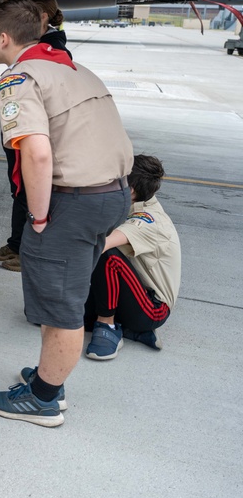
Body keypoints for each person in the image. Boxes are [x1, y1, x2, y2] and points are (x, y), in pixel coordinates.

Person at [0, 0, 133, 428]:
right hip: (111, 193)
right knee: (61, 292)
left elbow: (38, 154)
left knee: (61, 304)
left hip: (74, 200)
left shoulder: (19, 77)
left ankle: (45, 399)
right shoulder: (72, 68)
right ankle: (49, 377)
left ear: (4, 37)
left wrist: (40, 217)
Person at [0, 0, 72, 272]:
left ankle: (29, 251)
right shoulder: (45, 51)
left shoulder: (49, 52)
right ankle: (17, 243)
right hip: (24, 140)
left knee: (31, 193)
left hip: (33, 142)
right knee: (19, 191)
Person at [84, 154, 180, 359]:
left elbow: (101, 246)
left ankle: (107, 326)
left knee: (107, 255)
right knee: (55, 315)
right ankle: (132, 332)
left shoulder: (148, 221)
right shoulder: (133, 202)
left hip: (152, 308)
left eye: (116, 180)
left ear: (131, 190)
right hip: (128, 293)